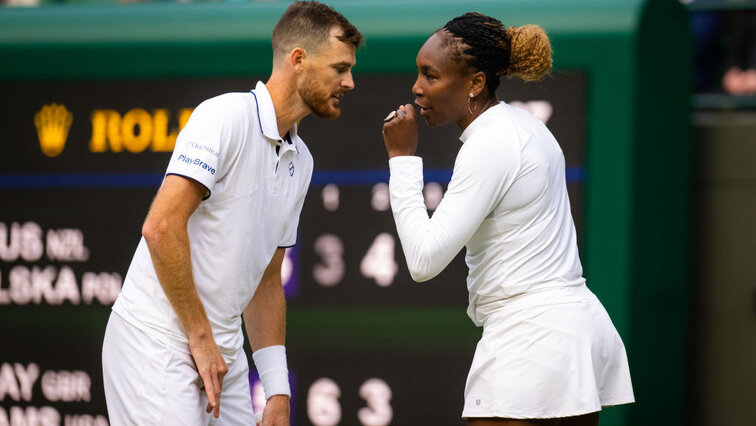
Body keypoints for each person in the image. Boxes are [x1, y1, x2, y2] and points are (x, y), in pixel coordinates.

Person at [101, 2, 361, 425]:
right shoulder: (223, 117)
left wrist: (277, 390)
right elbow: (161, 228)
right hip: (155, 345)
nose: (350, 82)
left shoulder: (303, 160)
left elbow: (266, 279)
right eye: (340, 68)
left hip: (221, 354)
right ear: (298, 60)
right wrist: (201, 338)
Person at [382, 12, 634, 426]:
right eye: (419, 74)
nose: (417, 88)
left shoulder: (491, 142)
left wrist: (402, 161)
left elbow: (423, 261)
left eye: (430, 75)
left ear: (476, 83)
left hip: (532, 341)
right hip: (574, 333)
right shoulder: (524, 126)